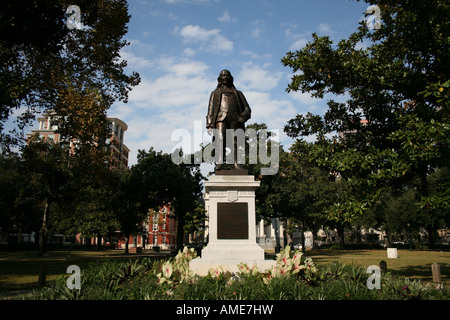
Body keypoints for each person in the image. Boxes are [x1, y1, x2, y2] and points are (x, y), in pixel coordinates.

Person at [206, 70, 251, 170]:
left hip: (235, 120)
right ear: (219, 79)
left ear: (230, 78)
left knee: (236, 141)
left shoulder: (238, 93)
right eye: (223, 76)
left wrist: (242, 117)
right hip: (220, 119)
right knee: (220, 139)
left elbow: (247, 109)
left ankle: (236, 164)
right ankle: (220, 162)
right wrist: (209, 124)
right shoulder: (215, 93)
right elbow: (210, 109)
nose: (225, 77)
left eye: (227, 76)